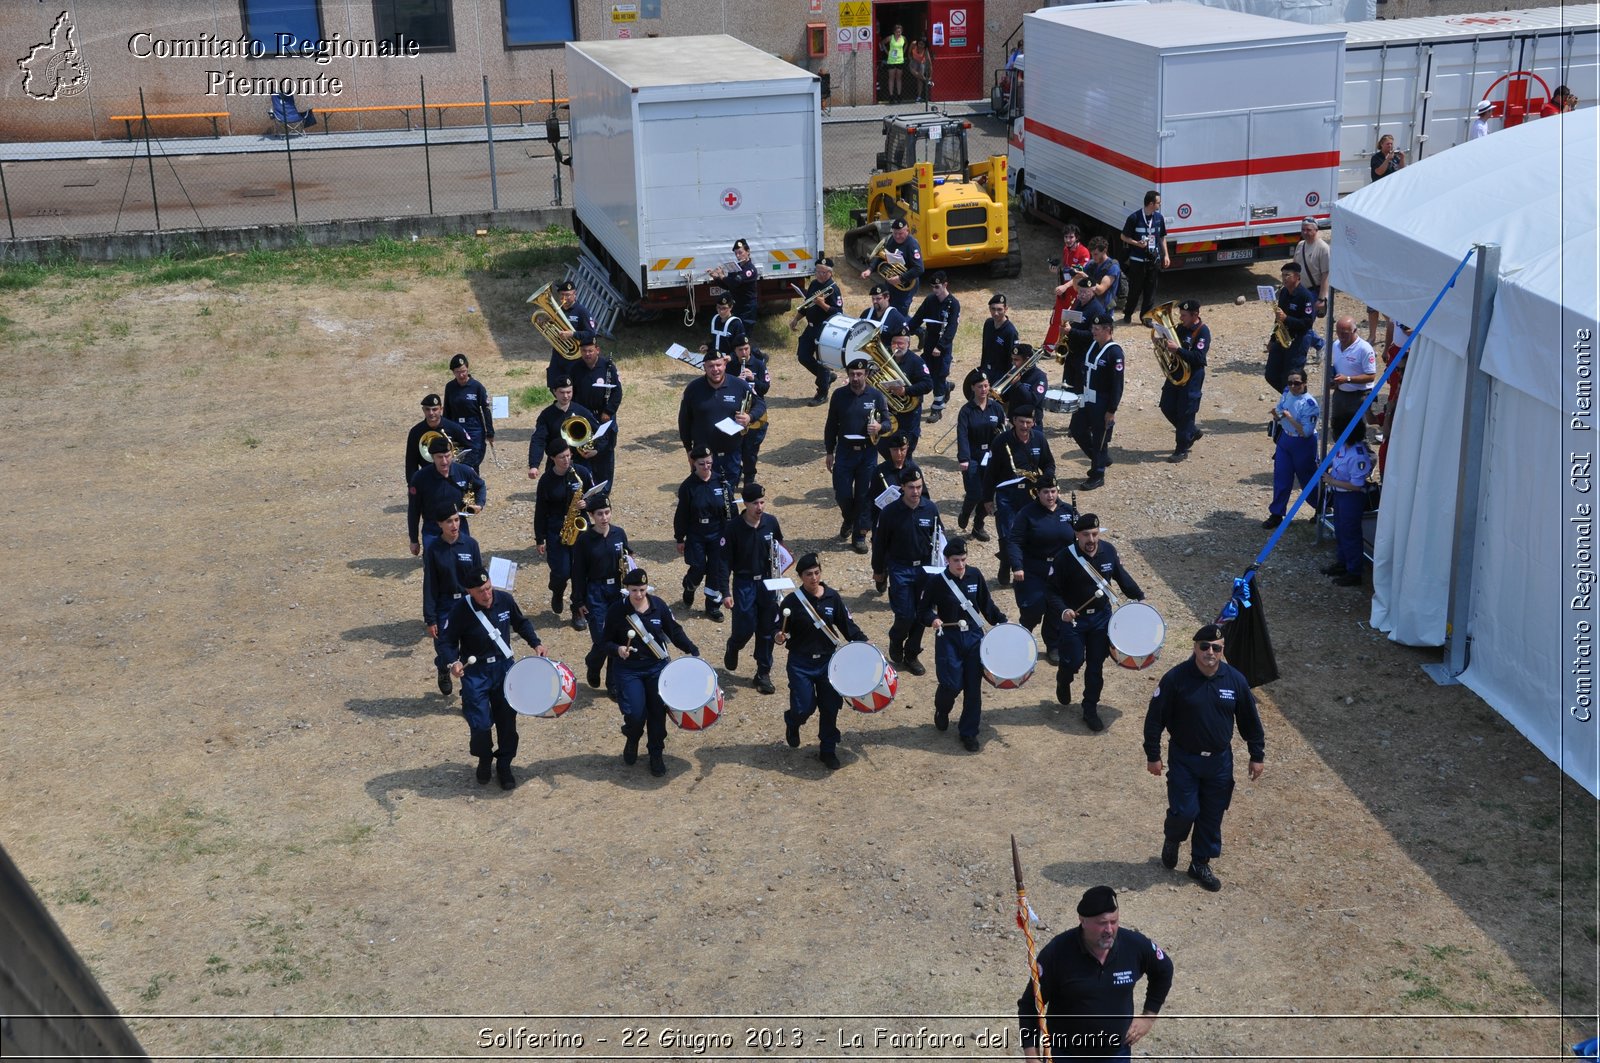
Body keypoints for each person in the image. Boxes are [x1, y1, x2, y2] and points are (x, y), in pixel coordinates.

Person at [1143, 624, 1266, 892]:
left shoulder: (1235, 681)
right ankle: (1173, 838)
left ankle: (1200, 862)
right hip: (1185, 758)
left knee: (1212, 814)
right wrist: (1153, 755)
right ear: (1195, 647)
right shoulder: (1176, 679)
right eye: (1204, 646)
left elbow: (1249, 721)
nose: (1210, 652)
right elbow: (1154, 720)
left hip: (1219, 762)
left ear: (1222, 651)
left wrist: (1257, 754)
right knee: (1185, 811)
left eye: (1216, 648)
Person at [1017, 885, 1174, 1062]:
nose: (1109, 929)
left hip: (1116, 1055)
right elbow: (1030, 1005)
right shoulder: (1057, 953)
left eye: (1114, 922)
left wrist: (1148, 1018)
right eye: (1102, 923)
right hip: (1066, 1055)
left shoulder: (1134, 946)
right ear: (1083, 921)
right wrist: (1031, 1056)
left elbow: (1164, 970)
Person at [440, 569, 546, 791]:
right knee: (479, 724)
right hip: (476, 673)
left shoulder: (505, 600)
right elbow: (446, 642)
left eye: (488, 588)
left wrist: (535, 643)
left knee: (507, 721)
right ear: (470, 592)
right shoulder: (461, 610)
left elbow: (521, 623)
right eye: (481, 592)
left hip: (504, 669)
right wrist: (453, 663)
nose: (487, 595)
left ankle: (504, 764)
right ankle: (484, 758)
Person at [1047, 513, 1144, 733]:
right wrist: (1063, 610)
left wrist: (1140, 597)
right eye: (1085, 535)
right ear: (1076, 535)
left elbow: (1121, 576)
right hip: (1074, 620)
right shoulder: (1064, 558)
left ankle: (1089, 709)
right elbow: (1051, 591)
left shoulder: (1108, 550)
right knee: (1072, 660)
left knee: (1095, 666)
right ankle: (1064, 679)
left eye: (1094, 534)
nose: (1091, 540)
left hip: (1101, 618)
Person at [600, 568, 699, 777]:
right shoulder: (617, 611)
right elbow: (604, 641)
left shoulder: (658, 606)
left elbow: (674, 630)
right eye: (634, 590)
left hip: (656, 668)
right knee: (635, 714)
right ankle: (632, 738)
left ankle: (656, 753)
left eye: (642, 590)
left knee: (657, 713)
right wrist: (617, 649)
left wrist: (691, 648)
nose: (638, 595)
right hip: (629, 671)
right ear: (626, 589)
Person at [774, 553, 870, 770]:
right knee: (803, 706)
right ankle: (793, 721)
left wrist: (865, 644)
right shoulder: (792, 602)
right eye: (808, 574)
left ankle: (828, 750)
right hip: (800, 663)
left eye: (817, 573)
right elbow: (778, 628)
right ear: (801, 577)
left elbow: (848, 626)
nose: (814, 578)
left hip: (828, 663)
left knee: (830, 707)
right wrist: (778, 637)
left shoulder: (832, 598)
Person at [917, 538, 1007, 751]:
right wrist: (932, 619)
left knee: (973, 689)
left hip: (974, 637)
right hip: (949, 637)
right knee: (951, 684)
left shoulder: (975, 575)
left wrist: (1003, 622)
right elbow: (923, 610)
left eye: (964, 560)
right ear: (947, 560)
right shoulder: (937, 582)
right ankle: (942, 709)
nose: (961, 565)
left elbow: (986, 604)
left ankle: (968, 732)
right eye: (956, 560)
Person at [871, 468, 940, 676]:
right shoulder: (890, 512)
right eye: (911, 487)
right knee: (905, 615)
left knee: (922, 614)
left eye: (919, 487)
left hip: (925, 570)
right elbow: (880, 544)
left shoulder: (930, 509)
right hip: (900, 568)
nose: (916, 492)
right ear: (902, 487)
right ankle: (896, 638)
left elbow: (939, 538)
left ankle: (911, 654)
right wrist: (878, 570)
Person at [722, 482, 785, 695]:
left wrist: (780, 579)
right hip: (744, 583)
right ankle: (735, 645)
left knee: (767, 628)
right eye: (755, 503)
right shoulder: (733, 528)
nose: (760, 507)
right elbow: (723, 563)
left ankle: (763, 673)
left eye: (762, 502)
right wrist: (725, 592)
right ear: (746, 504)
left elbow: (780, 551)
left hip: (767, 583)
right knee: (745, 625)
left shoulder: (771, 523)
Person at [1007, 477, 1077, 662]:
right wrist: (1017, 566)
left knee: (1057, 609)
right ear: (1037, 493)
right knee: (1034, 606)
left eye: (1053, 491)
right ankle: (1023, 638)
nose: (1050, 495)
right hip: (1033, 569)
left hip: (1060, 570)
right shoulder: (1027, 514)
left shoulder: (1068, 511)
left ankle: (1053, 645)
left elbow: (1078, 538)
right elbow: (1014, 541)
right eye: (1046, 492)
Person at [824, 359, 890, 554]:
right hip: (844, 452)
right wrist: (829, 451)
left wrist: (879, 427)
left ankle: (859, 535)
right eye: (852, 374)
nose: (855, 378)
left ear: (866, 375)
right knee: (842, 493)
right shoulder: (839, 395)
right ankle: (849, 519)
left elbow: (888, 422)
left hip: (867, 453)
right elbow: (831, 425)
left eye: (859, 374)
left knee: (864, 496)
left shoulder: (876, 396)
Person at [987, 405, 1055, 586]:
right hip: (1007, 495)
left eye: (1029, 422)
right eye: (1021, 422)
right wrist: (987, 498)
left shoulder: (1039, 439)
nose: (1025, 426)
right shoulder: (1001, 441)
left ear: (1034, 422)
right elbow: (991, 473)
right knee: (1007, 534)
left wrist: (1046, 480)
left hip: (1031, 493)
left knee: (1029, 533)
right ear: (1014, 421)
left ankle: (1021, 567)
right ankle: (1005, 563)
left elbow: (1049, 463)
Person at [533, 440, 595, 626]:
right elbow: (540, 511)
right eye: (562, 457)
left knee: (580, 571)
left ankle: (577, 609)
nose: (567, 460)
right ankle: (557, 590)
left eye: (569, 455)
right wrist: (540, 538)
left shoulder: (581, 473)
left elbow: (597, 495)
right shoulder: (546, 480)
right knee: (561, 572)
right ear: (552, 458)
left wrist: (588, 504)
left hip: (580, 528)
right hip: (556, 531)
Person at [571, 495, 632, 685]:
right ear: (591, 515)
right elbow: (578, 572)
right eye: (599, 514)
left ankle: (612, 682)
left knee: (617, 636)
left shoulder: (619, 534)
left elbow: (628, 558)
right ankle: (593, 662)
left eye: (607, 513)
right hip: (595, 591)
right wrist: (578, 601)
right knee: (601, 637)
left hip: (617, 591)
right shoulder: (585, 540)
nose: (604, 517)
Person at [678, 350, 762, 488]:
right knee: (704, 491)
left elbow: (759, 404)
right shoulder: (693, 389)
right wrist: (688, 449)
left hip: (731, 453)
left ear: (724, 365)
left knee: (729, 491)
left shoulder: (739, 385)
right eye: (711, 366)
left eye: (718, 365)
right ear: (704, 367)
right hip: (704, 456)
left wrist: (749, 416)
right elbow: (684, 421)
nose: (715, 369)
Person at [422, 512, 481, 696]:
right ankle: (443, 667)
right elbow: (430, 584)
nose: (454, 525)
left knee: (471, 647)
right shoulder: (433, 549)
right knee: (446, 646)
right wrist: (430, 618)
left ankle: (469, 693)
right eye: (449, 521)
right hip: (445, 603)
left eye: (457, 520)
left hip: (468, 601)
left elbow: (479, 575)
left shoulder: (470, 544)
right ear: (439, 523)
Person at [674, 447, 733, 622]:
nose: (706, 466)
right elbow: (682, 514)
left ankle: (712, 606)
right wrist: (680, 538)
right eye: (702, 464)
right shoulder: (688, 486)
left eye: (709, 462)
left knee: (716, 569)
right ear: (694, 463)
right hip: (697, 534)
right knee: (698, 567)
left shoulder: (721, 482)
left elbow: (731, 510)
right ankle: (690, 586)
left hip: (717, 533)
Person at [1068, 315, 1124, 491]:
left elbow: (1117, 385)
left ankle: (1097, 474)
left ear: (1108, 330)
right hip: (1085, 397)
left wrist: (1111, 409)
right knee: (1077, 429)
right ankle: (1099, 458)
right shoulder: (1093, 345)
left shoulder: (1114, 353)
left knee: (1100, 439)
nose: (1093, 331)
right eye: (1093, 328)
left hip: (1102, 400)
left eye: (1097, 329)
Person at [407, 436, 484, 557]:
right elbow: (413, 510)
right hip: (432, 529)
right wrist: (413, 540)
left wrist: (479, 504)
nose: (444, 461)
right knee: (433, 568)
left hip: (458, 526)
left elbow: (480, 486)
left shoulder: (464, 471)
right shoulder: (420, 478)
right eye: (439, 457)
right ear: (432, 458)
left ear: (452, 455)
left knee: (464, 564)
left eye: (447, 456)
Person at [1262, 371, 1319, 530]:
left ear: (1305, 383)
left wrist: (1289, 418)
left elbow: (1306, 432)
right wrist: (1277, 415)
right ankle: (1276, 513)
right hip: (1286, 440)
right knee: (1281, 476)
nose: (1293, 386)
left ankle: (1321, 508)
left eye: (1297, 383)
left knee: (1308, 478)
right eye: (1290, 383)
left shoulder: (1310, 404)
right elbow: (1280, 409)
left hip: (1303, 444)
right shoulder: (1287, 393)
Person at [1321, 420, 1373, 588]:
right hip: (1340, 496)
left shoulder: (1358, 455)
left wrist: (1331, 481)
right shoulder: (1342, 446)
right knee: (1340, 530)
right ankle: (1342, 562)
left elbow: (1356, 485)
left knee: (1350, 533)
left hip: (1351, 498)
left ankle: (1354, 572)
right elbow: (1332, 460)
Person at [955, 370, 1005, 543]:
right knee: (974, 492)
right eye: (980, 387)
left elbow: (1001, 432)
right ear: (973, 388)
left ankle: (978, 525)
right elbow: (962, 435)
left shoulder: (996, 408)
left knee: (988, 494)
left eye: (986, 386)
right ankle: (966, 512)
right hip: (973, 455)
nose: (984, 389)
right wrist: (964, 459)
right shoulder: (967, 410)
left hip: (990, 456)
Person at [1158, 299, 1209, 462]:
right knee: (1166, 405)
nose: (1181, 319)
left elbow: (1199, 358)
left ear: (1195, 315)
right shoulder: (1181, 328)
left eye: (1184, 316)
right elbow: (1172, 347)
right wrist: (1161, 343)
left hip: (1192, 376)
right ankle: (1191, 432)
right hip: (1177, 373)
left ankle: (1181, 449)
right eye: (1181, 315)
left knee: (1185, 412)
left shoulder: (1202, 332)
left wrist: (1178, 350)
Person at [571, 336, 622, 490]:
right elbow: (572, 394)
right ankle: (584, 489)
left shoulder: (608, 367)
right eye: (584, 351)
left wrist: (608, 411)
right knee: (583, 453)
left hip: (603, 417)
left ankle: (603, 491)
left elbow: (617, 392)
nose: (587, 354)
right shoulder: (575, 368)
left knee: (604, 453)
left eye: (590, 351)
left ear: (597, 350)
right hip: (583, 418)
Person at [790, 256, 842, 406]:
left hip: (824, 329)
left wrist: (822, 304)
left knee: (821, 360)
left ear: (830, 273)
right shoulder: (813, 284)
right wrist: (796, 319)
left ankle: (822, 393)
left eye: (823, 272)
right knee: (803, 356)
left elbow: (838, 312)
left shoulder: (833, 288)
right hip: (810, 327)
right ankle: (827, 377)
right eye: (818, 271)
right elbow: (806, 305)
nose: (820, 275)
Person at [909, 271, 961, 421]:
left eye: (937, 287)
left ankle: (937, 408)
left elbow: (951, 328)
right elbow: (918, 318)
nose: (934, 290)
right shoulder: (930, 300)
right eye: (932, 287)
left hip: (942, 347)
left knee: (939, 374)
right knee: (925, 372)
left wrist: (941, 346)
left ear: (945, 285)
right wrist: (906, 331)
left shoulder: (953, 304)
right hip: (930, 342)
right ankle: (945, 387)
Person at [527, 376, 601, 478]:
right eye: (562, 392)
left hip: (581, 463)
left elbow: (600, 432)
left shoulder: (582, 411)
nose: (566, 396)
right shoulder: (546, 415)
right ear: (554, 392)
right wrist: (534, 465)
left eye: (569, 392)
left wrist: (596, 450)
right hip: (556, 465)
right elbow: (538, 440)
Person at [878, 325, 933, 457]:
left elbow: (928, 384)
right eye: (894, 343)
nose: (896, 346)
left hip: (908, 415)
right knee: (885, 446)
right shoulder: (886, 358)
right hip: (889, 411)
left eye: (900, 343)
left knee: (905, 451)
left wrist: (906, 391)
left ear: (908, 344)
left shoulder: (916, 362)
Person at [1264, 261, 1316, 395]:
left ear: (1297, 277)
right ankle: (1290, 399)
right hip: (1283, 338)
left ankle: (1299, 405)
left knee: (1292, 377)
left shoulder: (1305, 296)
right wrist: (1272, 339)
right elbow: (1278, 319)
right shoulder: (1284, 293)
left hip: (1299, 340)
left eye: (1287, 275)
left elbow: (1307, 323)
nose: (1284, 278)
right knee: (1271, 374)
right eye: (1282, 275)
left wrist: (1287, 318)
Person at [1119, 190, 1170, 324]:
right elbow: (1123, 236)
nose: (1160, 204)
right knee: (1135, 289)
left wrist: (1166, 255)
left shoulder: (1159, 218)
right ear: (1151, 203)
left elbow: (1163, 237)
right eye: (1158, 202)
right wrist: (1137, 244)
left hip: (1154, 260)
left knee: (1150, 291)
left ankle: (1146, 317)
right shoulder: (1134, 218)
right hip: (1138, 261)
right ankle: (1128, 313)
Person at [729, 336, 772, 491]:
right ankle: (734, 475)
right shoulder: (730, 366)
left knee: (750, 450)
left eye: (746, 349)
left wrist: (753, 378)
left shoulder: (759, 365)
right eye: (740, 350)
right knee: (734, 449)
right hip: (736, 414)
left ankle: (749, 479)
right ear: (735, 351)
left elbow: (765, 388)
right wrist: (736, 381)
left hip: (755, 414)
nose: (744, 352)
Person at [860, 218, 923, 315]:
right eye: (895, 233)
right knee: (887, 308)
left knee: (899, 311)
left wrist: (900, 278)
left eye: (900, 233)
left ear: (907, 231)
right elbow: (882, 256)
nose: (897, 236)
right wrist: (869, 270)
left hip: (906, 284)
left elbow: (919, 268)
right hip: (891, 282)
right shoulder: (892, 240)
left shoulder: (912, 245)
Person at [405, 393, 471, 485]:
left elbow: (470, 448)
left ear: (441, 409)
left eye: (434, 409)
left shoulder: (453, 428)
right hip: (428, 479)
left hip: (452, 478)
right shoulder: (416, 432)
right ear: (423, 410)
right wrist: (412, 485)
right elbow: (411, 463)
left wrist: (464, 470)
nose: (431, 413)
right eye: (427, 409)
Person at [1328, 316, 1377, 439]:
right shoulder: (1336, 345)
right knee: (1337, 428)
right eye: (1338, 333)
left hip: (1359, 395)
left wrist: (1348, 379)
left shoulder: (1364, 349)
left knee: (1357, 433)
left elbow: (1371, 376)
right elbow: (1336, 366)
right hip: (1341, 393)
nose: (1341, 337)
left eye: (1345, 334)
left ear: (1354, 331)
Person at [443, 353, 493, 470]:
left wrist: (490, 431)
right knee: (457, 460)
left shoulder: (477, 387)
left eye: (463, 371)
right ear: (453, 372)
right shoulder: (450, 387)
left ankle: (474, 486)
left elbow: (486, 410)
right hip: (456, 426)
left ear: (467, 369)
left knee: (473, 461)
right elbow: (447, 410)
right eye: (457, 372)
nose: (461, 375)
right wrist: (445, 431)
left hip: (474, 427)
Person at [543, 279, 596, 387]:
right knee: (553, 383)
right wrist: (544, 324)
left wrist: (572, 334)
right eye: (562, 295)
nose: (564, 298)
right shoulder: (557, 311)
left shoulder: (582, 311)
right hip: (558, 355)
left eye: (568, 295)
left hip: (575, 358)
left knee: (576, 386)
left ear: (574, 294)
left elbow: (591, 334)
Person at [708, 238, 759, 330]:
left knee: (743, 333)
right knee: (733, 332)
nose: (738, 256)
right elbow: (728, 286)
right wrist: (716, 277)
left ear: (748, 251)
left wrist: (722, 275)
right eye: (736, 253)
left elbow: (735, 282)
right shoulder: (735, 267)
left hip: (747, 307)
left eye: (740, 252)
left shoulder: (750, 269)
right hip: (736, 304)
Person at [997, 342, 1050, 428]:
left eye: (1016, 360)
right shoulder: (1014, 373)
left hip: (1030, 424)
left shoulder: (1039, 377)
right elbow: (1006, 397)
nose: (1013, 363)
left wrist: (1017, 384)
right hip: (1014, 421)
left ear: (1027, 360)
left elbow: (1033, 401)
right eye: (1012, 359)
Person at [1291, 220, 1330, 320]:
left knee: (1305, 323)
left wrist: (1321, 298)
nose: (1305, 232)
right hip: (1299, 290)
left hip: (1312, 292)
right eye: (1303, 230)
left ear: (1316, 230)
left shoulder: (1323, 248)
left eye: (1308, 230)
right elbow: (1294, 268)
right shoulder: (1300, 245)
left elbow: (1326, 275)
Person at [979, 293, 1019, 383]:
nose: (996, 313)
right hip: (987, 370)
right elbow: (985, 349)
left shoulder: (1010, 331)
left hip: (1001, 375)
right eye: (993, 309)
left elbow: (1013, 357)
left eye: (999, 309)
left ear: (1006, 309)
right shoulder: (988, 324)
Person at [1083, 236, 1122, 318]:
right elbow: (1078, 287)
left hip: (1104, 311)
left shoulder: (1113, 267)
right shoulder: (1091, 264)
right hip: (1089, 308)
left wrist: (1085, 277)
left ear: (1104, 251)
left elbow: (1100, 290)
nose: (1093, 257)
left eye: (1096, 254)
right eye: (1091, 254)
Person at [704, 293, 747, 358]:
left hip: (730, 361)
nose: (721, 311)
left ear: (731, 307)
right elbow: (716, 340)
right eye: (718, 307)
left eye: (724, 308)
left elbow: (741, 346)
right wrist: (708, 346)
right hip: (716, 359)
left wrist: (731, 356)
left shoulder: (736, 323)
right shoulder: (715, 320)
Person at [882, 23, 907, 103]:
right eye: (897, 32)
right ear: (894, 32)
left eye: (900, 32)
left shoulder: (903, 38)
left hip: (900, 60)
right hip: (891, 60)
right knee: (891, 78)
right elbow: (882, 43)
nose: (898, 33)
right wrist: (887, 52)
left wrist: (903, 52)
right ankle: (891, 96)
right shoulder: (890, 38)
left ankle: (899, 95)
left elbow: (906, 44)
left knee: (899, 78)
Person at [906, 38, 933, 105]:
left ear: (925, 45)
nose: (920, 46)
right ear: (917, 43)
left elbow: (929, 63)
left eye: (922, 44)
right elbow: (909, 52)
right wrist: (910, 59)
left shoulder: (925, 50)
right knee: (912, 69)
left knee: (919, 79)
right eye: (919, 44)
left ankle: (919, 97)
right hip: (914, 60)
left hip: (921, 62)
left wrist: (931, 75)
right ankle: (926, 81)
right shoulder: (913, 44)